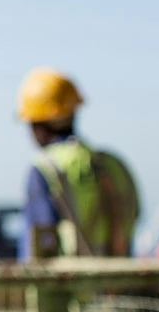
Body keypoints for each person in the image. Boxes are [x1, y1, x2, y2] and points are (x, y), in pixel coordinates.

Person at [15, 68, 140, 259]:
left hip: (72, 286)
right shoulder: (114, 164)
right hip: (122, 284)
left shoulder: (44, 170)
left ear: (37, 124)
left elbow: (38, 249)